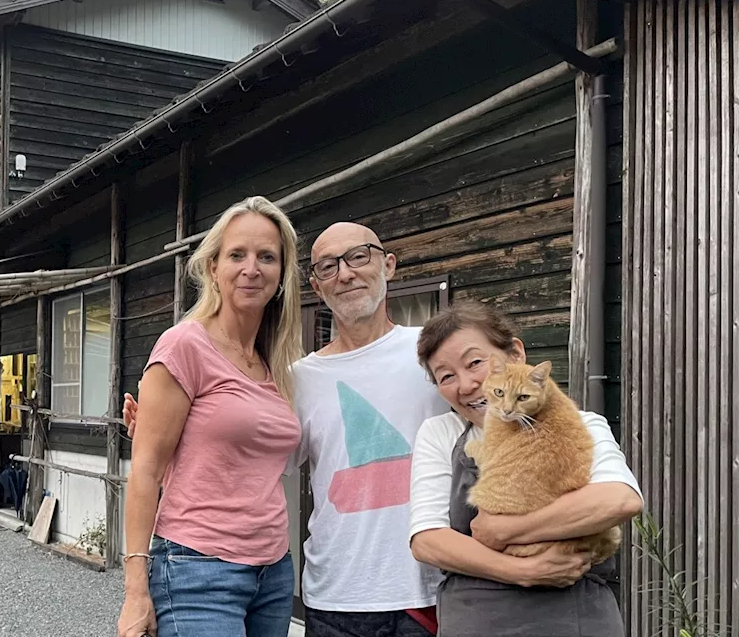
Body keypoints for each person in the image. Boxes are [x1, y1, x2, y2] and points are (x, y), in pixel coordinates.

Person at [127, 222, 451, 637]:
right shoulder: (297, 377)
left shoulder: (436, 352)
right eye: (329, 266)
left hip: (418, 589)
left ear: (388, 265)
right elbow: (192, 461)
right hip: (326, 594)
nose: (347, 273)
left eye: (359, 256)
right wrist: (158, 439)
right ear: (316, 286)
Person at [117, 196, 306, 637]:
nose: (251, 268)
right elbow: (145, 471)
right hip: (197, 568)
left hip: (274, 571)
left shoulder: (276, 363)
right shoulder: (184, 346)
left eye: (267, 257)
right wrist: (135, 592)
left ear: (281, 275)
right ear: (213, 268)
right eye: (236, 254)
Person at [409, 301, 643, 637]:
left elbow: (619, 501)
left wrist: (504, 531)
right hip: (477, 620)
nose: (466, 385)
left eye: (475, 362)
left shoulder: (580, 423)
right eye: (446, 376)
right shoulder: (440, 433)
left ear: (516, 354)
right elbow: (428, 541)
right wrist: (524, 569)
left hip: (574, 615)